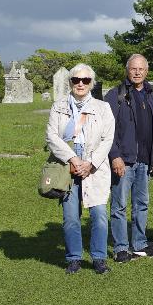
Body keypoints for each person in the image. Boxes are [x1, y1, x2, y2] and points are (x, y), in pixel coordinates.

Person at [46, 64, 115, 274]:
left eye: (85, 80)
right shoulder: (58, 107)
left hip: (94, 167)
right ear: (70, 83)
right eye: (76, 80)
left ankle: (99, 258)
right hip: (67, 165)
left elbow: (108, 138)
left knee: (99, 214)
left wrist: (90, 163)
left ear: (91, 83)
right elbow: (52, 137)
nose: (81, 84)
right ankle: (74, 258)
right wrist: (73, 159)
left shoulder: (103, 108)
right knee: (70, 216)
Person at [106, 53, 153, 263]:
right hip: (124, 160)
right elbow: (106, 130)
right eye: (133, 69)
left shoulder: (151, 95)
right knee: (119, 205)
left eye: (141, 69)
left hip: (144, 161)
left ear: (146, 72)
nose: (137, 72)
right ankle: (121, 247)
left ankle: (139, 243)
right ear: (127, 70)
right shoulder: (116, 94)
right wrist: (115, 156)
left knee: (142, 203)